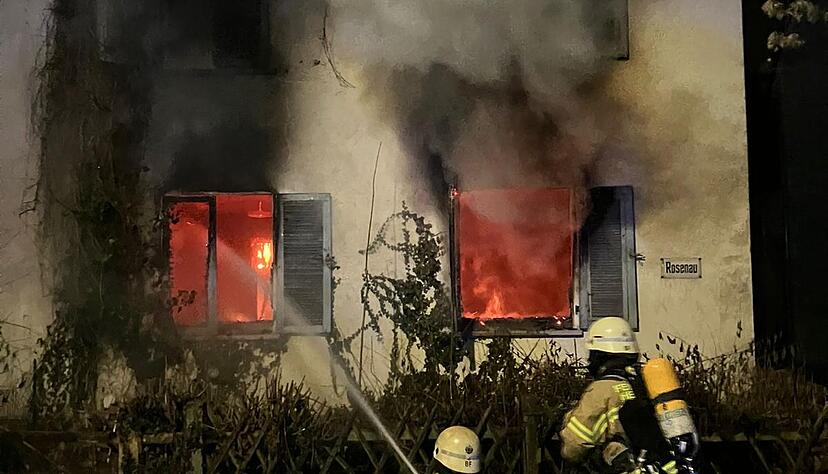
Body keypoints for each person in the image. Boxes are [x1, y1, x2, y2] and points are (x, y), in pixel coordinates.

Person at [560, 317, 678, 474]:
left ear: (600, 355)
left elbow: (574, 446)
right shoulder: (644, 381)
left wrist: (565, 420)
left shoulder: (603, 390)